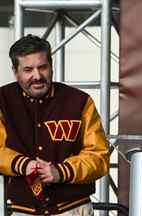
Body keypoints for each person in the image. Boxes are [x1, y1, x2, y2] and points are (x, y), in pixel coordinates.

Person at [0, 34, 110, 215]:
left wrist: (61, 172)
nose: (37, 76)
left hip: (74, 209)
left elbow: (99, 157)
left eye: (43, 67)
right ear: (15, 71)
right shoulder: (3, 100)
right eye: (28, 69)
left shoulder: (79, 101)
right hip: (23, 210)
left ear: (51, 66)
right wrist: (23, 165)